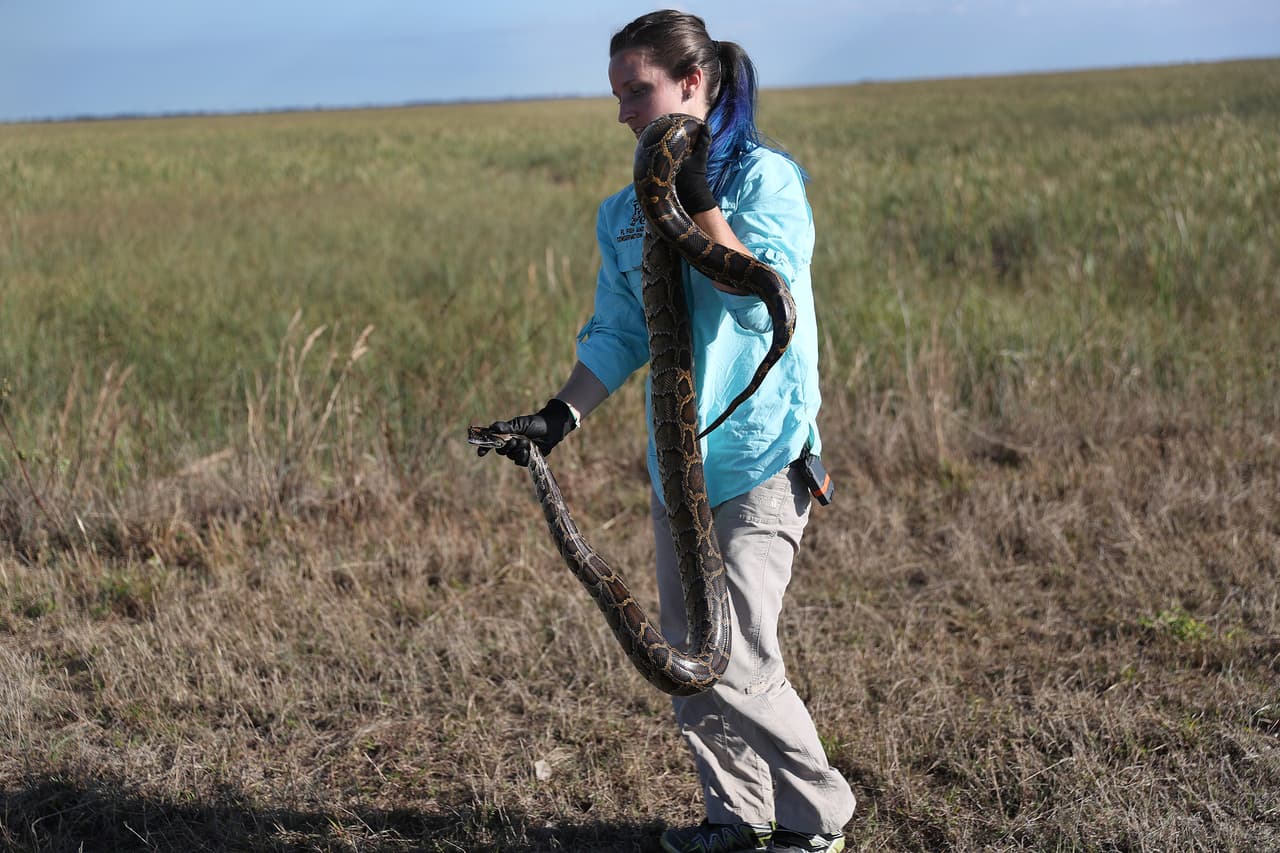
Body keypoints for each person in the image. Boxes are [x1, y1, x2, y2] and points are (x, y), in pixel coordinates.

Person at [477, 10, 855, 853]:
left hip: (761, 457)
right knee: (685, 657)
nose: (622, 114)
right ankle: (736, 815)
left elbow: (763, 307)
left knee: (742, 654)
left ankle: (817, 819)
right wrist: (557, 414)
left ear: (694, 84)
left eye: (636, 91)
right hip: (674, 466)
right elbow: (620, 330)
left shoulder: (766, 184)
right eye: (615, 96)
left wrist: (695, 205)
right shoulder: (621, 211)